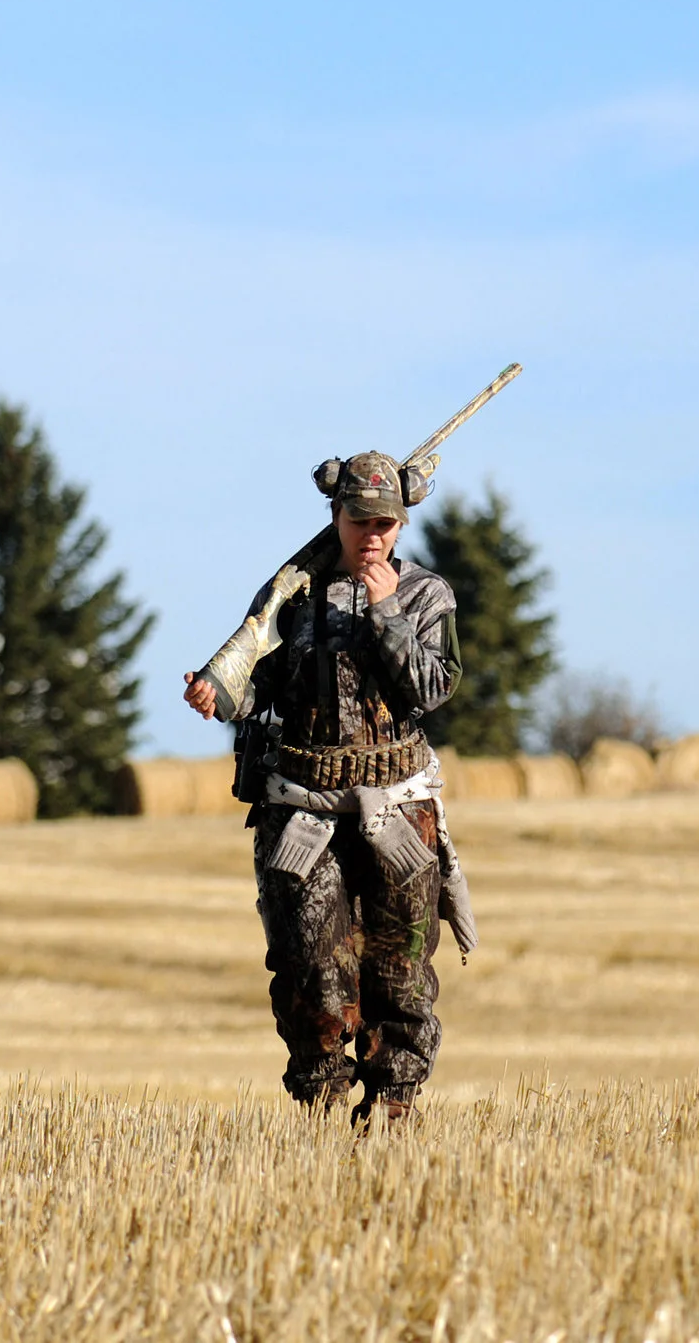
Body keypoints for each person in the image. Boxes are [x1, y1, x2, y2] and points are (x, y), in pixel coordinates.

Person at [184, 451, 462, 1126]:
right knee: (313, 971)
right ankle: (320, 1110)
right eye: (360, 519)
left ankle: (393, 1110)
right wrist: (219, 694)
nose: (373, 534)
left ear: (401, 524)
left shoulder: (427, 596)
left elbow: (430, 688)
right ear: (335, 517)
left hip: (396, 811)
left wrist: (385, 608)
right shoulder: (294, 597)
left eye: (386, 522)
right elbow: (261, 688)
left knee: (400, 974)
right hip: (302, 807)